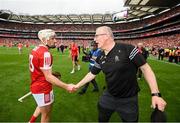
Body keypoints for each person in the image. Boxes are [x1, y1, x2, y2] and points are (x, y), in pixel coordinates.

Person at [74, 26, 167, 122]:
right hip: (108, 96)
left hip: (129, 100)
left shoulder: (128, 49)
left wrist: (155, 94)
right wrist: (77, 85)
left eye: (96, 36)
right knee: (102, 118)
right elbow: (92, 74)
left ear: (107, 36)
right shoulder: (100, 56)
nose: (94, 39)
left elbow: (145, 69)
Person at [29, 29, 75, 123]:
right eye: (52, 38)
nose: (55, 41)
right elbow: (48, 77)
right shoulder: (45, 53)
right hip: (43, 88)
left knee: (41, 106)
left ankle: (31, 121)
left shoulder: (35, 49)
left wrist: (51, 74)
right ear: (44, 39)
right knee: (46, 115)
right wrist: (67, 86)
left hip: (36, 85)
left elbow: (39, 69)